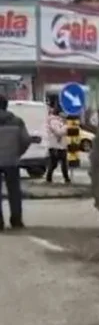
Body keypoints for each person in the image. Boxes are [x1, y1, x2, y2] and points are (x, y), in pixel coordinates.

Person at [0, 95, 31, 231]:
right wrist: (18, 153)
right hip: (12, 161)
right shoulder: (17, 121)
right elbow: (26, 140)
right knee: (14, 192)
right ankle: (16, 220)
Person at [45, 102, 70, 184]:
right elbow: (58, 132)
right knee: (54, 163)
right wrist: (66, 126)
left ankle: (66, 178)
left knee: (62, 164)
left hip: (60, 145)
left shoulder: (58, 120)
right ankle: (49, 178)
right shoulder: (53, 120)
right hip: (56, 146)